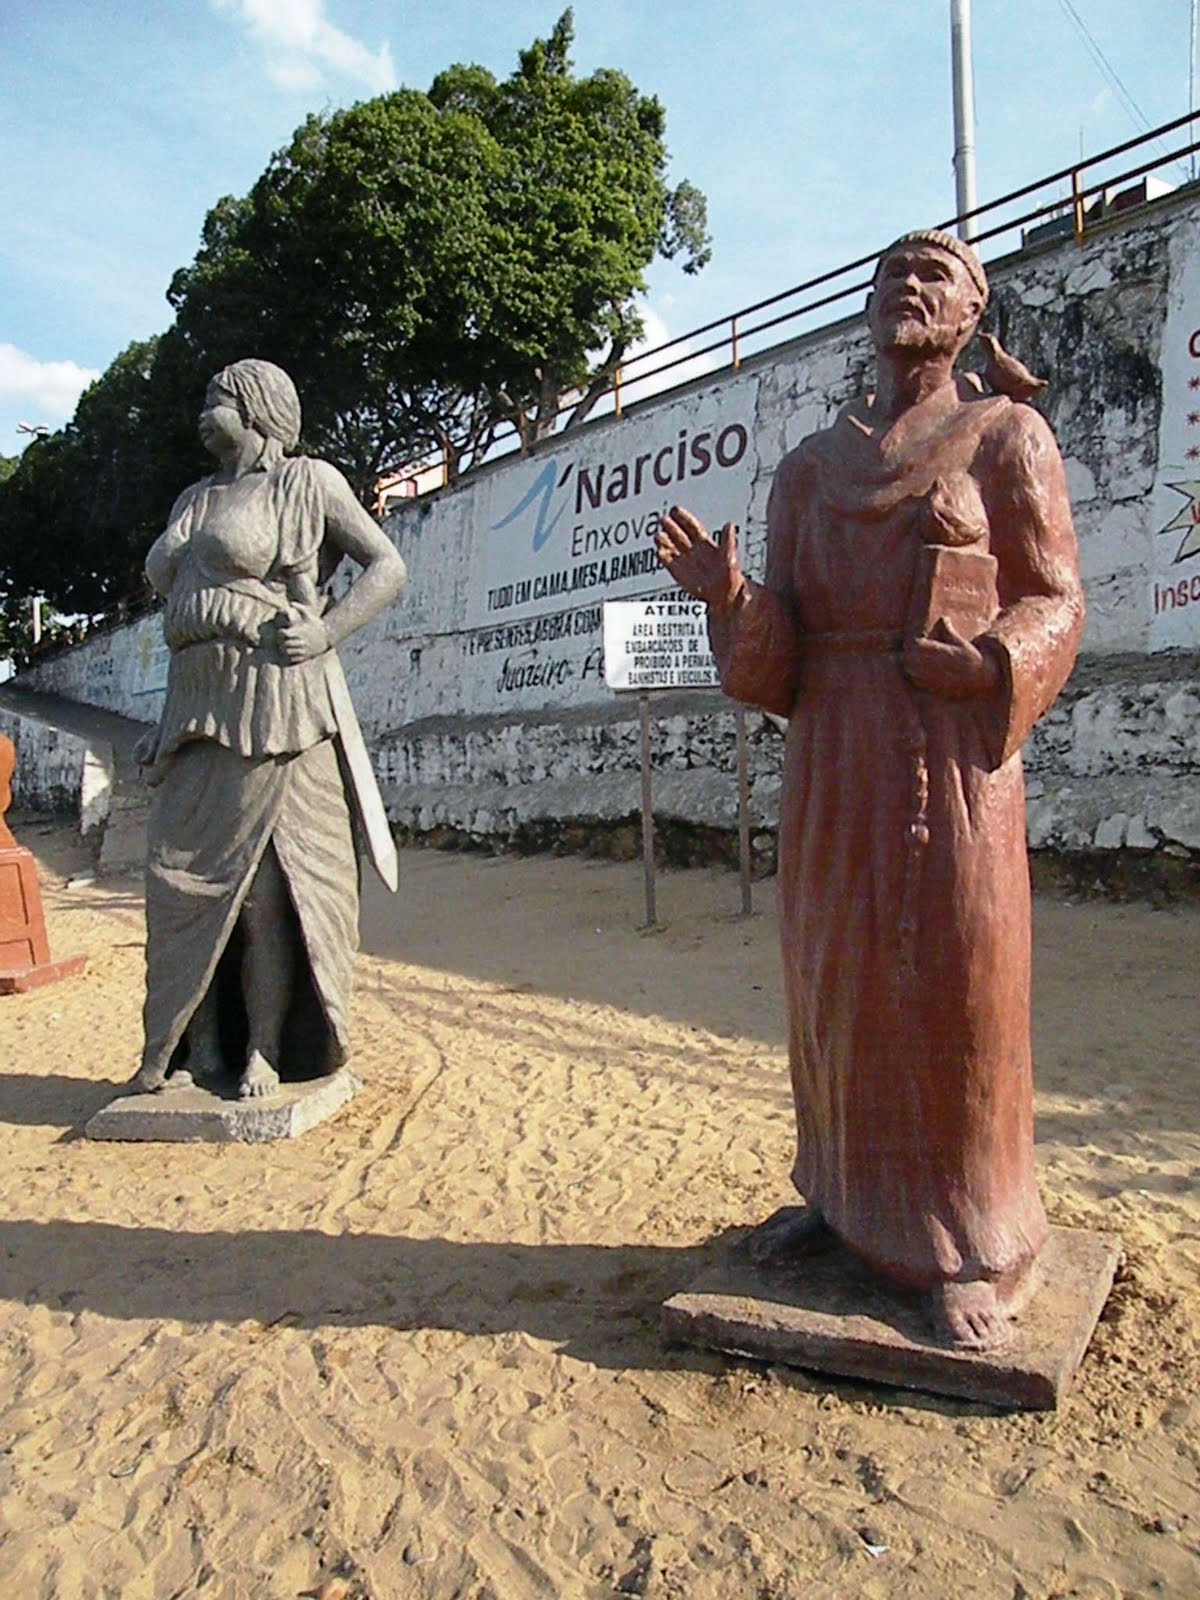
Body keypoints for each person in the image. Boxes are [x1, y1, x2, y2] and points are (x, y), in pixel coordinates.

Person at [657, 230, 1084, 1349]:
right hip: (836, 756)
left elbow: (1057, 600)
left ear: (972, 314)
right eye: (893, 274)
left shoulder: (1007, 435)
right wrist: (732, 598)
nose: (909, 287)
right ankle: (844, 1203)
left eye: (935, 276)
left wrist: (989, 665)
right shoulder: (807, 469)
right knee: (837, 976)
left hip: (950, 747)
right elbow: (783, 657)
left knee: (955, 980)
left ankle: (966, 1243)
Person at [129, 359, 406, 1100]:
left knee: (264, 894)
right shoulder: (194, 497)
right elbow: (181, 604)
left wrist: (325, 632)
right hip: (195, 710)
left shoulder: (307, 482)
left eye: (216, 399)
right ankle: (192, 1047)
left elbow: (388, 567)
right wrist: (162, 723)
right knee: (176, 886)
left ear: (256, 410)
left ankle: (264, 1047)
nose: (203, 410)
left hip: (273, 707)